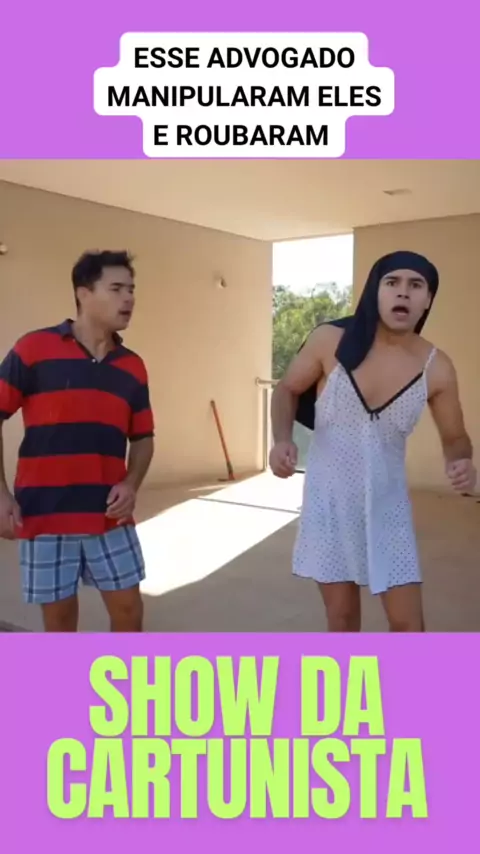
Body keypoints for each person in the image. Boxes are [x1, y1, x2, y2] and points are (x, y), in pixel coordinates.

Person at [269, 250, 476, 632]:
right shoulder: (329, 341)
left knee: (408, 625)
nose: (403, 292)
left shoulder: (436, 367)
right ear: (374, 291)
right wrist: (281, 439)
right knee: (343, 619)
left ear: (428, 299)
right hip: (328, 503)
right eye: (392, 282)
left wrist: (461, 461)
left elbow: (456, 437)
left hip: (388, 507)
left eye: (416, 285)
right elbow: (286, 389)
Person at [0, 249, 154, 632]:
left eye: (131, 289)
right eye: (116, 289)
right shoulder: (33, 349)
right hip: (44, 513)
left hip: (109, 516)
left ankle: (125, 676)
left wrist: (131, 484)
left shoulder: (132, 366)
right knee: (60, 623)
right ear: (84, 294)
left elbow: (143, 438)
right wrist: (0, 495)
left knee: (129, 613)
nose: (129, 298)